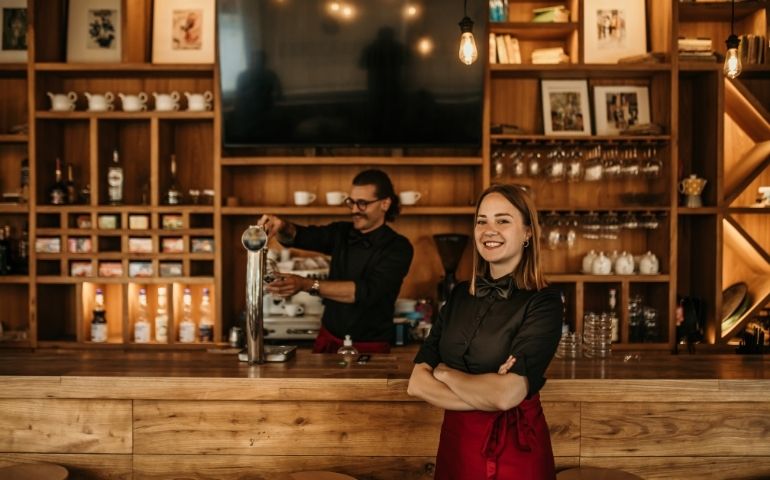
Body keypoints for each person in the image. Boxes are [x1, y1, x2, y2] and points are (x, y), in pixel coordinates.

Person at [407, 184, 562, 479]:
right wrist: (487, 390)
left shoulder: (544, 302)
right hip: (457, 447)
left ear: (528, 232)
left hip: (516, 450)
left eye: (503, 220)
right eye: (482, 221)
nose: (489, 230)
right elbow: (416, 383)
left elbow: (507, 395)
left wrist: (446, 374)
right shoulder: (459, 295)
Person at [258, 169, 414, 353]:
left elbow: (367, 292)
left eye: (362, 203)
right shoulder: (342, 232)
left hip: (370, 346)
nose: (355, 209)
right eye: (352, 202)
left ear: (385, 203)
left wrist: (306, 284)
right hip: (328, 339)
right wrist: (282, 225)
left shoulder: (398, 247)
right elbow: (300, 236)